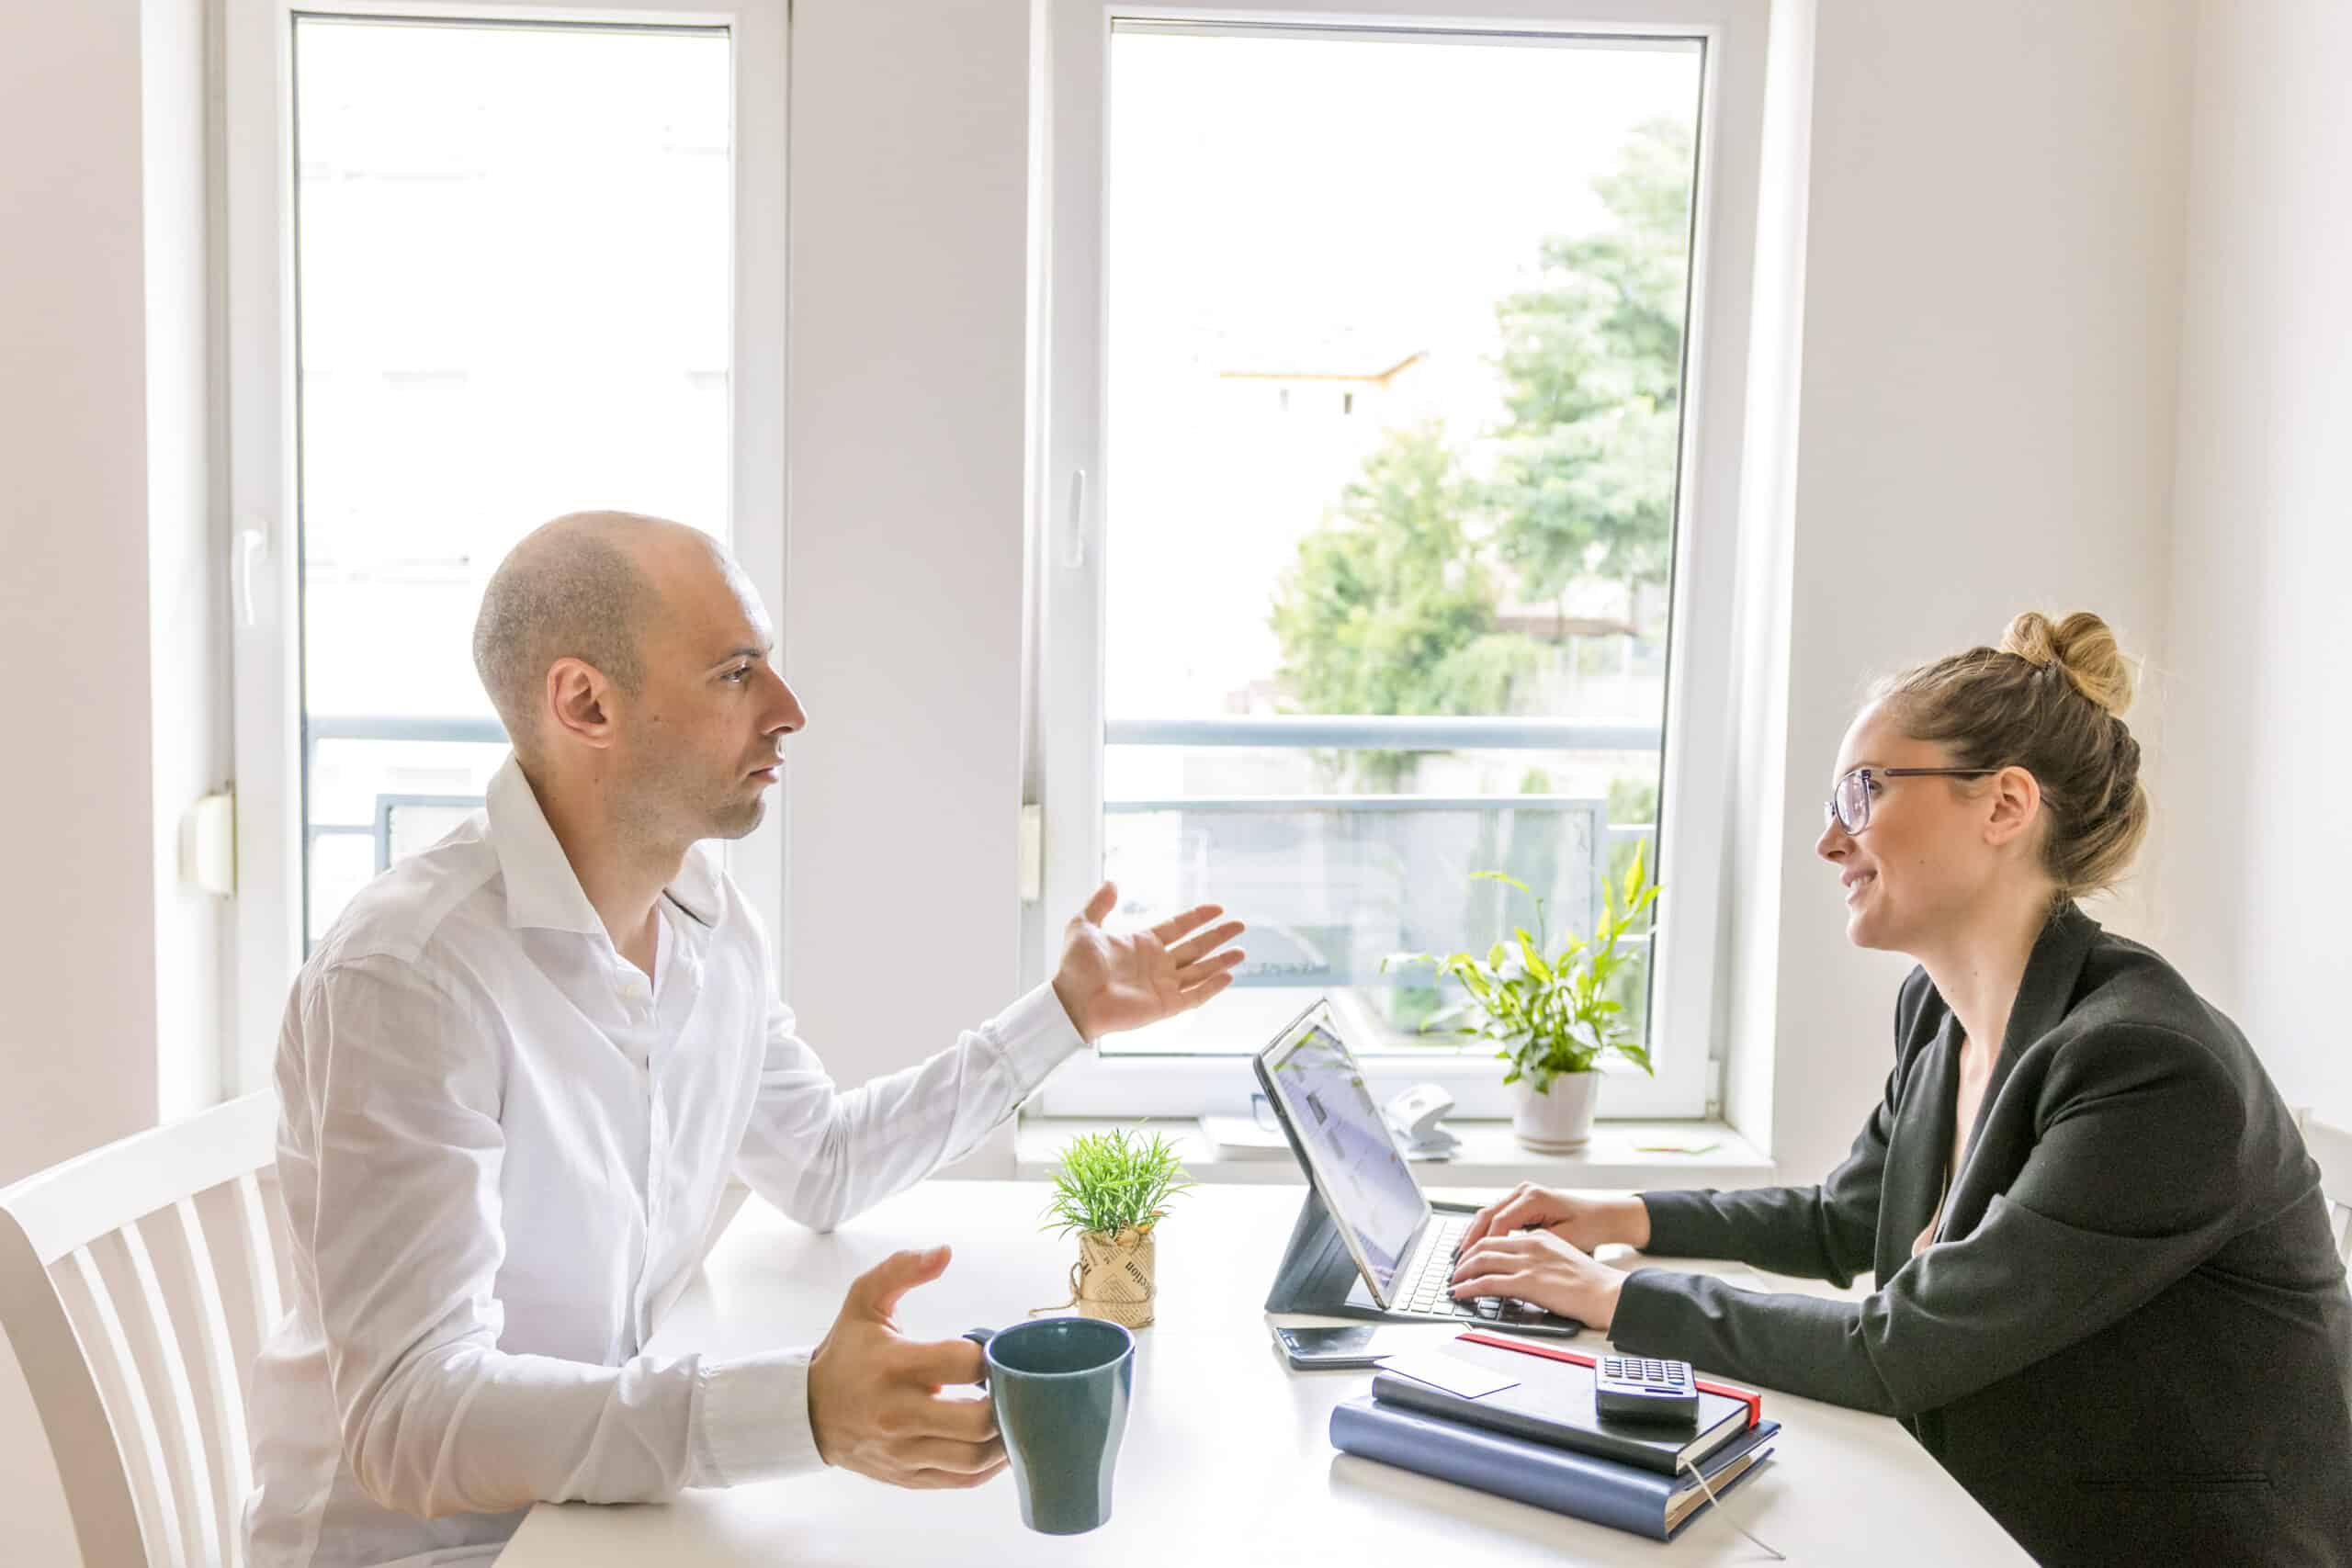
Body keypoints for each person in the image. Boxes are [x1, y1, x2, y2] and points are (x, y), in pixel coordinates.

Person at [242, 512, 1247, 1566]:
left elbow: (820, 1165)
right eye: (735, 673)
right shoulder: (410, 977)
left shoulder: (704, 921)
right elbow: (411, 1419)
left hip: (605, 1523)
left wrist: (1067, 1015)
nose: (789, 710)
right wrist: (800, 1413)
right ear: (586, 703)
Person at [1446, 611, 2352, 1566]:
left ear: (2005, 806)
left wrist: (1609, 1298)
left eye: (1862, 791)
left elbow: (1895, 1350)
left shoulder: (2151, 1072)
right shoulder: (1941, 1010)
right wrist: (1620, 1215)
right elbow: (1845, 1218)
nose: (1829, 842)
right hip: (1981, 1513)